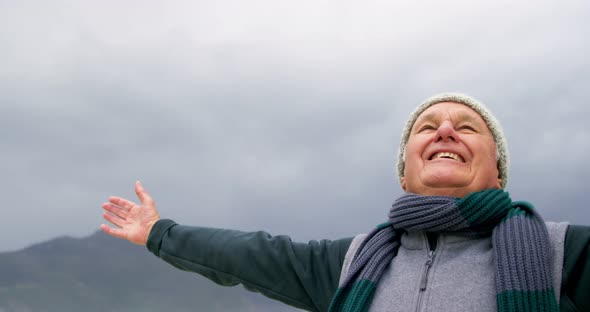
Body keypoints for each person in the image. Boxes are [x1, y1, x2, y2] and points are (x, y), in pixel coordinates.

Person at [100, 93, 590, 312]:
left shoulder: (565, 254)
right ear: (405, 172)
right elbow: (255, 254)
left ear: (499, 171)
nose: (445, 130)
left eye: (466, 127)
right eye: (428, 126)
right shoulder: (354, 263)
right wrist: (160, 232)